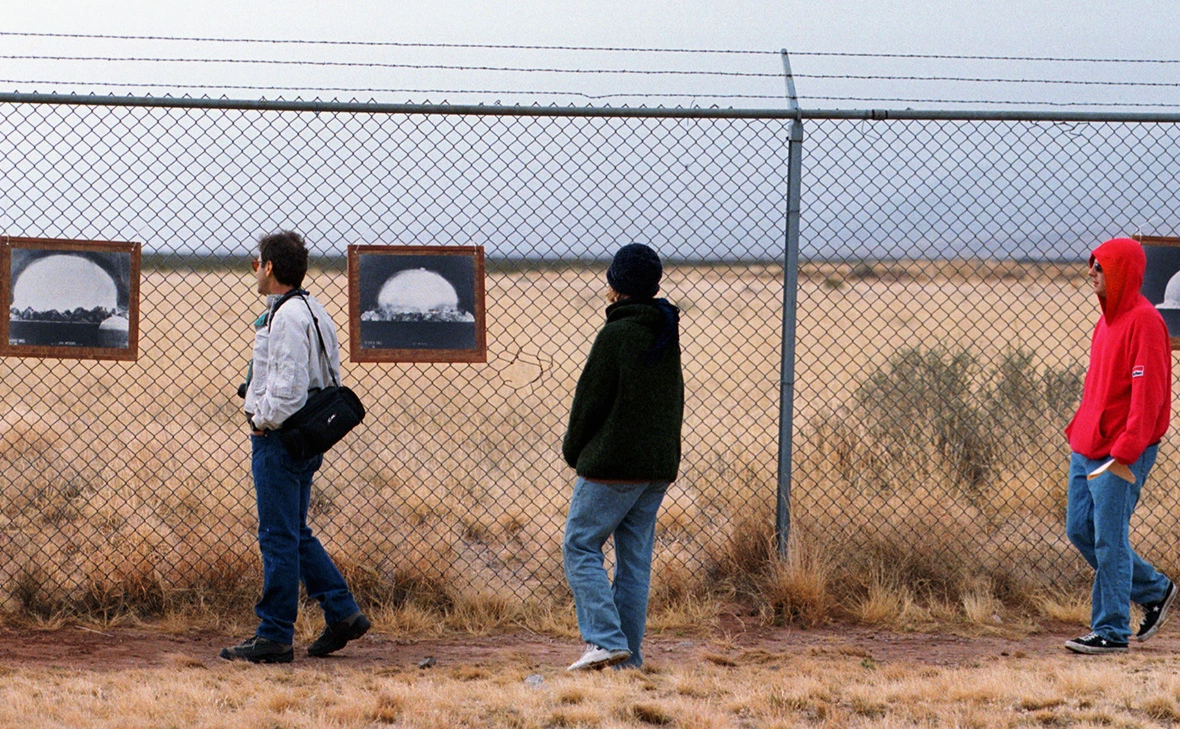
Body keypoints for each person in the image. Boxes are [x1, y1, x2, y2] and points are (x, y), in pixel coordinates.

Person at [221, 230, 370, 663]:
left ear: (269, 267)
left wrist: (260, 421)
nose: (256, 271)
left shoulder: (285, 316)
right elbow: (326, 375)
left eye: (257, 264)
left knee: (277, 537)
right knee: (294, 531)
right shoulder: (314, 309)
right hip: (308, 436)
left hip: (281, 439)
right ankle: (342, 613)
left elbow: (286, 390)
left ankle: (274, 636)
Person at [561, 243, 684, 671]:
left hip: (614, 465)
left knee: (580, 544)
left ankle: (605, 639)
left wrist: (575, 452)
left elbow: (588, 404)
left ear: (616, 284)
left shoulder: (616, 334)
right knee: (634, 562)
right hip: (656, 468)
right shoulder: (664, 330)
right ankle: (626, 661)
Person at [1063, 236, 1176, 655]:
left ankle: (1110, 629)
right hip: (1087, 444)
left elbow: (1148, 397)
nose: (1091, 271)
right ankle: (1155, 588)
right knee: (1081, 530)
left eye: (1100, 265)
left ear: (1123, 271)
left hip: (1121, 451)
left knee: (1110, 538)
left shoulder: (1146, 322)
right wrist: (1080, 429)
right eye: (1091, 263)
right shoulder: (1106, 320)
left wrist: (1125, 452)